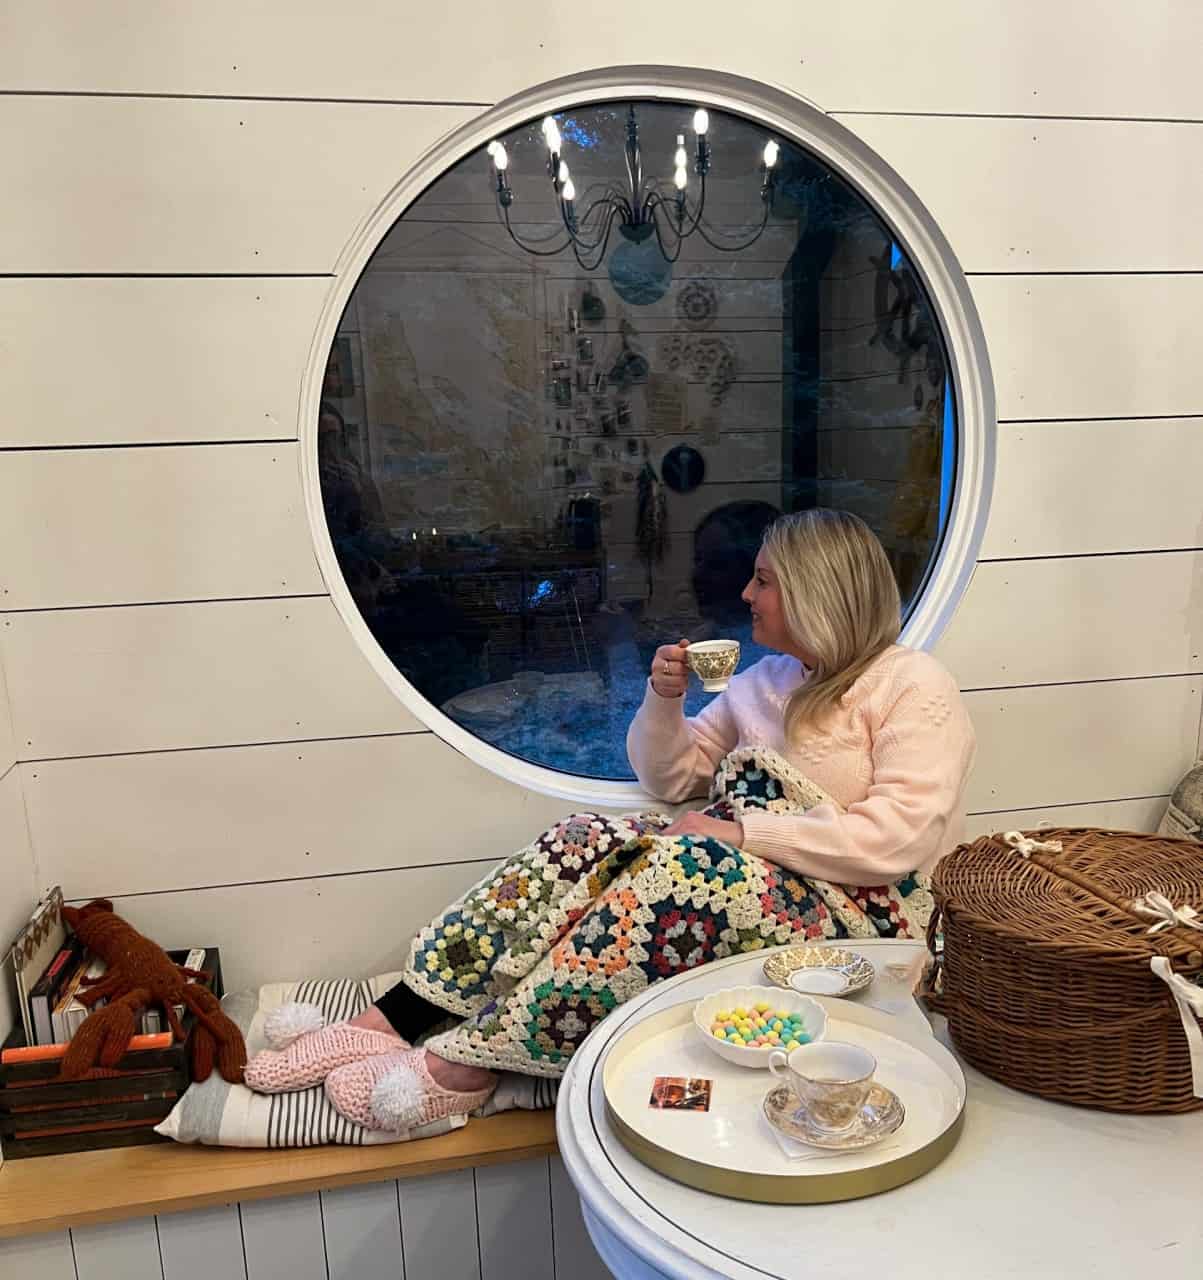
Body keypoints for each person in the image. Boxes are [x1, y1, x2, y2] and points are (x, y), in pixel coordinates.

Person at [244, 509, 975, 1137]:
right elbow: (674, 779)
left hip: (864, 910)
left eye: (764, 580)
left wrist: (740, 834)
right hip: (764, 879)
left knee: (676, 870)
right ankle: (399, 1014)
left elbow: (899, 839)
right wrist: (665, 702)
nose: (746, 594)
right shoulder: (766, 681)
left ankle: (471, 1063)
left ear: (818, 591)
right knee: (583, 838)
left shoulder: (908, 685)